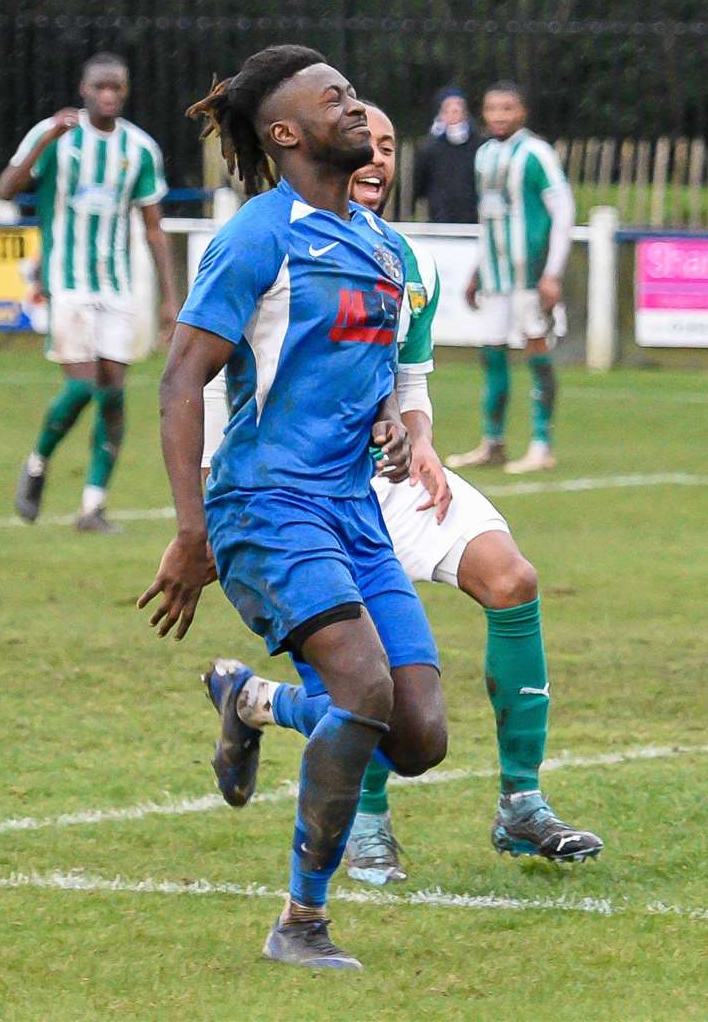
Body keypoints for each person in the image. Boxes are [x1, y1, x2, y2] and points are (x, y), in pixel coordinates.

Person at [202, 102, 603, 886]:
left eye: (390, 145)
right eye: (365, 143)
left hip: (390, 474)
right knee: (369, 676)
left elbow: (410, 382)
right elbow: (219, 374)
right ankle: (362, 818)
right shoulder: (274, 238)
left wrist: (418, 438)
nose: (378, 158)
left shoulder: (398, 258)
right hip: (300, 490)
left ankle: (522, 803)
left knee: (512, 579)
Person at [137, 45, 448, 971]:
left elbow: (371, 378)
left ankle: (252, 699)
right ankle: (299, 923)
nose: (359, 112)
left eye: (355, 94)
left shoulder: (386, 247)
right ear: (285, 133)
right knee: (362, 689)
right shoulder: (256, 237)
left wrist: (396, 423)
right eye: (337, 100)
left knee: (419, 734)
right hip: (267, 506)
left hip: (355, 513)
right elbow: (180, 382)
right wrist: (192, 529)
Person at [0, 52, 179, 532]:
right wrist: (46, 143)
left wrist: (169, 299)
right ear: (83, 89)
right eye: (100, 86)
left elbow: (154, 230)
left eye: (116, 87)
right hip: (68, 282)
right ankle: (37, 463)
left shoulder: (139, 149)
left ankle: (92, 506)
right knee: (81, 386)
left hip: (117, 287)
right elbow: (6, 189)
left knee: (114, 394)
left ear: (124, 92)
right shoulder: (53, 134)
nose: (108, 95)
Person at [446, 81, 575, 474]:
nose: (499, 116)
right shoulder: (484, 155)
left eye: (507, 108)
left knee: (536, 350)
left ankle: (542, 443)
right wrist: (477, 271)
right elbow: (489, 218)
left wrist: (552, 272)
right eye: (492, 109)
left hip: (529, 275)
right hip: (497, 278)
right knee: (491, 353)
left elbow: (564, 210)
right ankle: (493, 442)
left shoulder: (536, 153)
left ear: (522, 112)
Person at [412, 87, 479, 223]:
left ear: (465, 112)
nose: (452, 114)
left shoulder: (479, 146)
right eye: (447, 110)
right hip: (440, 218)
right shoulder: (429, 148)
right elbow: (420, 183)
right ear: (440, 113)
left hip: (473, 219)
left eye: (457, 109)